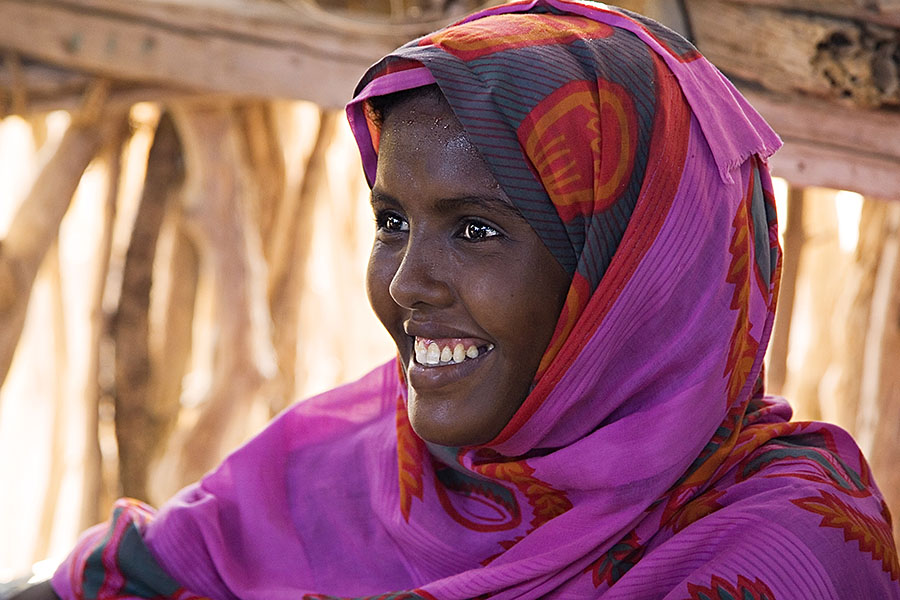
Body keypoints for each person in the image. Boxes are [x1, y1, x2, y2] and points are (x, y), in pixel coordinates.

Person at [14, 1, 900, 598]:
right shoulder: (350, 470)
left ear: (634, 282)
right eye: (392, 221)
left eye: (475, 229)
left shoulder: (784, 548)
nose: (406, 283)